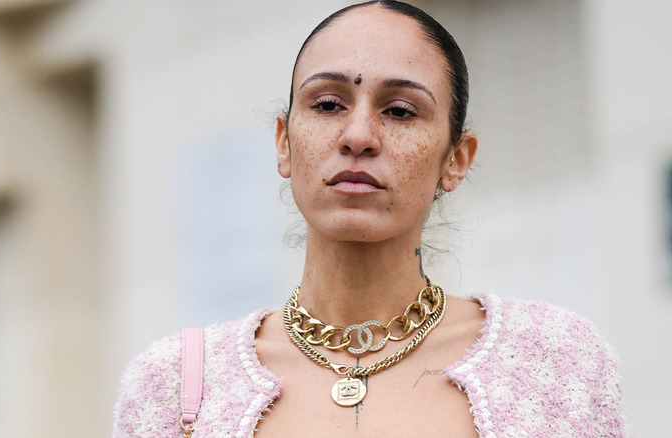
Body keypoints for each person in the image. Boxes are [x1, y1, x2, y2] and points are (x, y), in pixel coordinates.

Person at [113, 1, 628, 437]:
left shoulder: (554, 362)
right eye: (329, 103)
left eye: (400, 111)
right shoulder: (176, 384)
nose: (358, 136)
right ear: (283, 143)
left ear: (457, 159)